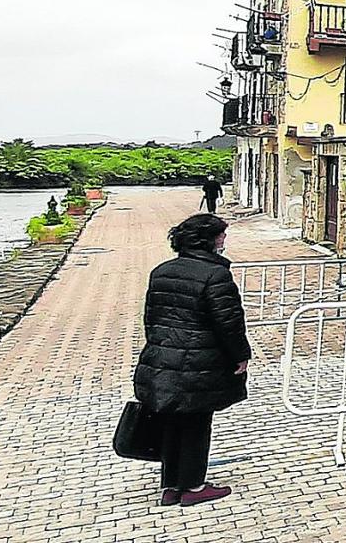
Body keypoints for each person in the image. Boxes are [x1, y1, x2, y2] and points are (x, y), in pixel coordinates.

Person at [134, 214, 250, 507]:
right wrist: (240, 356)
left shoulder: (161, 271)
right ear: (209, 240)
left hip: (164, 356)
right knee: (197, 423)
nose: (224, 241)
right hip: (200, 359)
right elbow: (228, 322)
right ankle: (194, 487)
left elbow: (151, 319)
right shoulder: (215, 275)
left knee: (172, 421)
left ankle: (172, 484)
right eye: (222, 236)